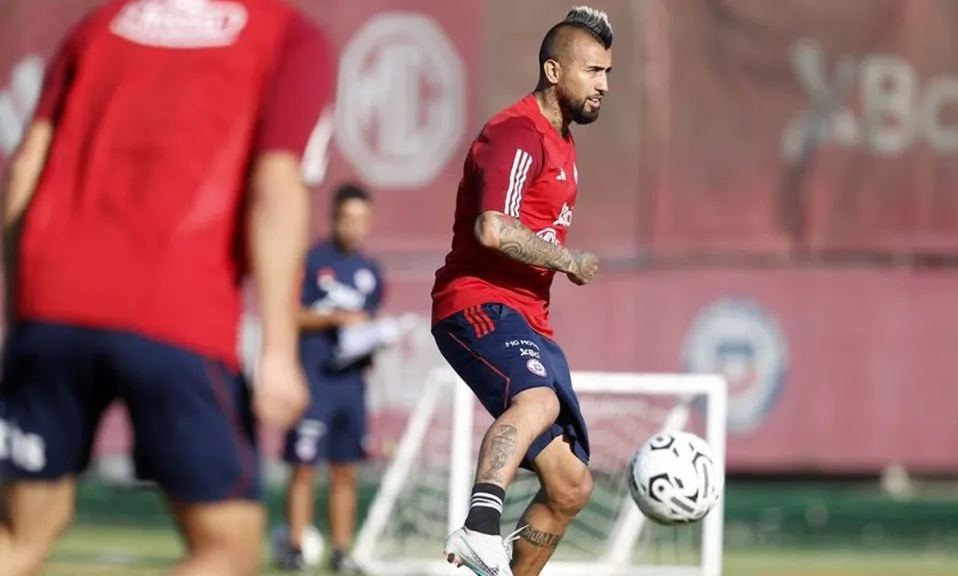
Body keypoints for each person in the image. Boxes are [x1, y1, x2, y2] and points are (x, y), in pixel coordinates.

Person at [0, 1, 333, 574]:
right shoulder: (288, 35)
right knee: (226, 550)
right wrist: (278, 351)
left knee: (23, 535)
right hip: (176, 312)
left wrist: (23, 313)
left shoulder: (104, 22)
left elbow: (27, 164)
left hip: (50, 306)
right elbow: (276, 182)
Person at [430, 6, 612, 576]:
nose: (603, 85)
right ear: (554, 71)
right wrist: (569, 260)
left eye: (608, 73)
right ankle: (480, 526)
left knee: (570, 486)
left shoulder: (563, 142)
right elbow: (493, 227)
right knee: (538, 401)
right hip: (478, 302)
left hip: (530, 320)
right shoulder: (516, 132)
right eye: (592, 72)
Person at [279, 183, 409, 572]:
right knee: (303, 466)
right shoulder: (311, 262)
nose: (354, 227)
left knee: (346, 469)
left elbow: (368, 325)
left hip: (351, 385)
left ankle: (340, 550)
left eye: (361, 220)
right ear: (334, 218)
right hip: (313, 380)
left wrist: (378, 335)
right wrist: (333, 317)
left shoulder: (370, 272)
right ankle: (297, 547)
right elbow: (289, 314)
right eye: (347, 218)